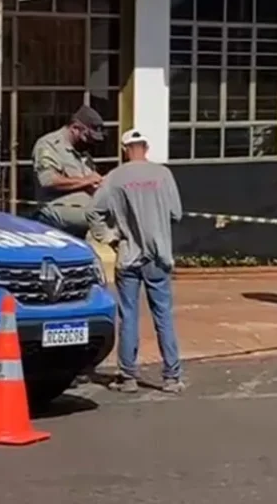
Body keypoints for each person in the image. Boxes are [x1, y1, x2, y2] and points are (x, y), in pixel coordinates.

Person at [88, 129, 184, 394]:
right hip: (159, 255)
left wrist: (108, 236)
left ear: (124, 149)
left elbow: (93, 211)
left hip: (129, 256)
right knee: (163, 314)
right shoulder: (163, 174)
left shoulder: (115, 178)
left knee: (128, 316)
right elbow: (176, 213)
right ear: (147, 147)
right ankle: (171, 377)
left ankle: (128, 376)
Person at [31, 105, 105, 239]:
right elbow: (48, 180)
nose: (90, 142)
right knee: (101, 219)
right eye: (87, 137)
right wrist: (86, 181)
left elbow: (88, 184)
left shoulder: (83, 153)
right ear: (75, 128)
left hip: (84, 208)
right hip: (55, 209)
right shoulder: (49, 145)